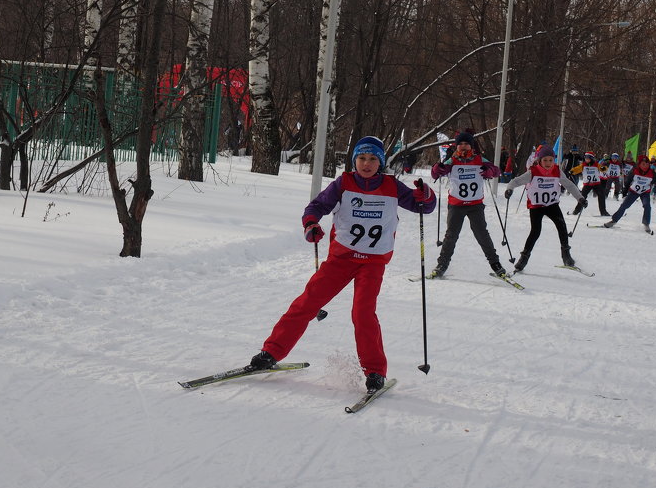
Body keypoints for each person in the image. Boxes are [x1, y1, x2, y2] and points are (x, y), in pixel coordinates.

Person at [247, 136, 435, 393]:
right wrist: (311, 224)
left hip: (373, 263)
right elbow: (316, 206)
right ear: (354, 160)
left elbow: (423, 205)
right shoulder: (343, 183)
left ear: (379, 162)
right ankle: (270, 353)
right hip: (341, 259)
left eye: (372, 159)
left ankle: (375, 372)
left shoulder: (392, 186)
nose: (366, 164)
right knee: (306, 303)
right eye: (361, 158)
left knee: (362, 313)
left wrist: (427, 195)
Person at [427, 132, 506, 279]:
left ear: (471, 145)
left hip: (475, 205)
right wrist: (438, 169)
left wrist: (488, 171)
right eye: (460, 144)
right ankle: (442, 265)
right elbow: (435, 173)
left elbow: (496, 171)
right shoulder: (452, 160)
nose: (463, 146)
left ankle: (495, 264)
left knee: (482, 234)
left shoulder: (478, 159)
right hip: (456, 205)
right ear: (457, 146)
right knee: (451, 236)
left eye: (466, 144)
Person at [504, 145, 586, 272]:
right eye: (545, 160)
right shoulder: (533, 172)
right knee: (535, 232)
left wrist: (580, 198)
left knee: (562, 227)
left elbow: (569, 185)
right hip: (536, 207)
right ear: (539, 160)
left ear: (554, 160)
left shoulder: (557, 171)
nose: (548, 163)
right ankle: (524, 257)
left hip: (552, 205)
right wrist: (509, 189)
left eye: (550, 160)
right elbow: (516, 181)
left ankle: (566, 255)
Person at [603, 154, 656, 232]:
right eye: (643, 164)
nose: (645, 166)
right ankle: (613, 221)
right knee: (624, 205)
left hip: (645, 192)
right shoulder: (635, 170)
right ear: (639, 164)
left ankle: (646, 224)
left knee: (647, 206)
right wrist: (625, 191)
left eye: (647, 164)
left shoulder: (651, 172)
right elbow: (628, 181)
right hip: (634, 191)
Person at [570, 152, 609, 216]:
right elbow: (577, 169)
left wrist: (604, 168)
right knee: (582, 197)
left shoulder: (596, 164)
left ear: (592, 159)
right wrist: (572, 171)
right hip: (587, 184)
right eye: (585, 158)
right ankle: (576, 211)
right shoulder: (583, 165)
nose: (586, 160)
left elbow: (603, 169)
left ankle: (603, 212)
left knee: (601, 195)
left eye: (588, 159)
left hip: (596, 184)